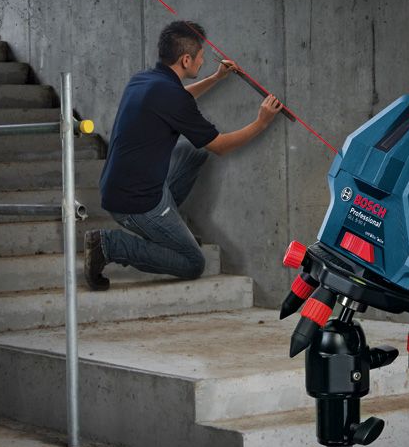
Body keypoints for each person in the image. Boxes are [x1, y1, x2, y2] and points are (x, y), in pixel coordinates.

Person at [84, 20, 283, 290]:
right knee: (192, 263)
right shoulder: (170, 95)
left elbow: (178, 98)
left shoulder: (144, 80)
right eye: (201, 58)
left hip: (123, 186)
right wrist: (261, 122)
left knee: (193, 152)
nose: (202, 62)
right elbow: (220, 146)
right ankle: (108, 245)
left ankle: (169, 229)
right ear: (186, 59)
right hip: (135, 203)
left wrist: (215, 78)